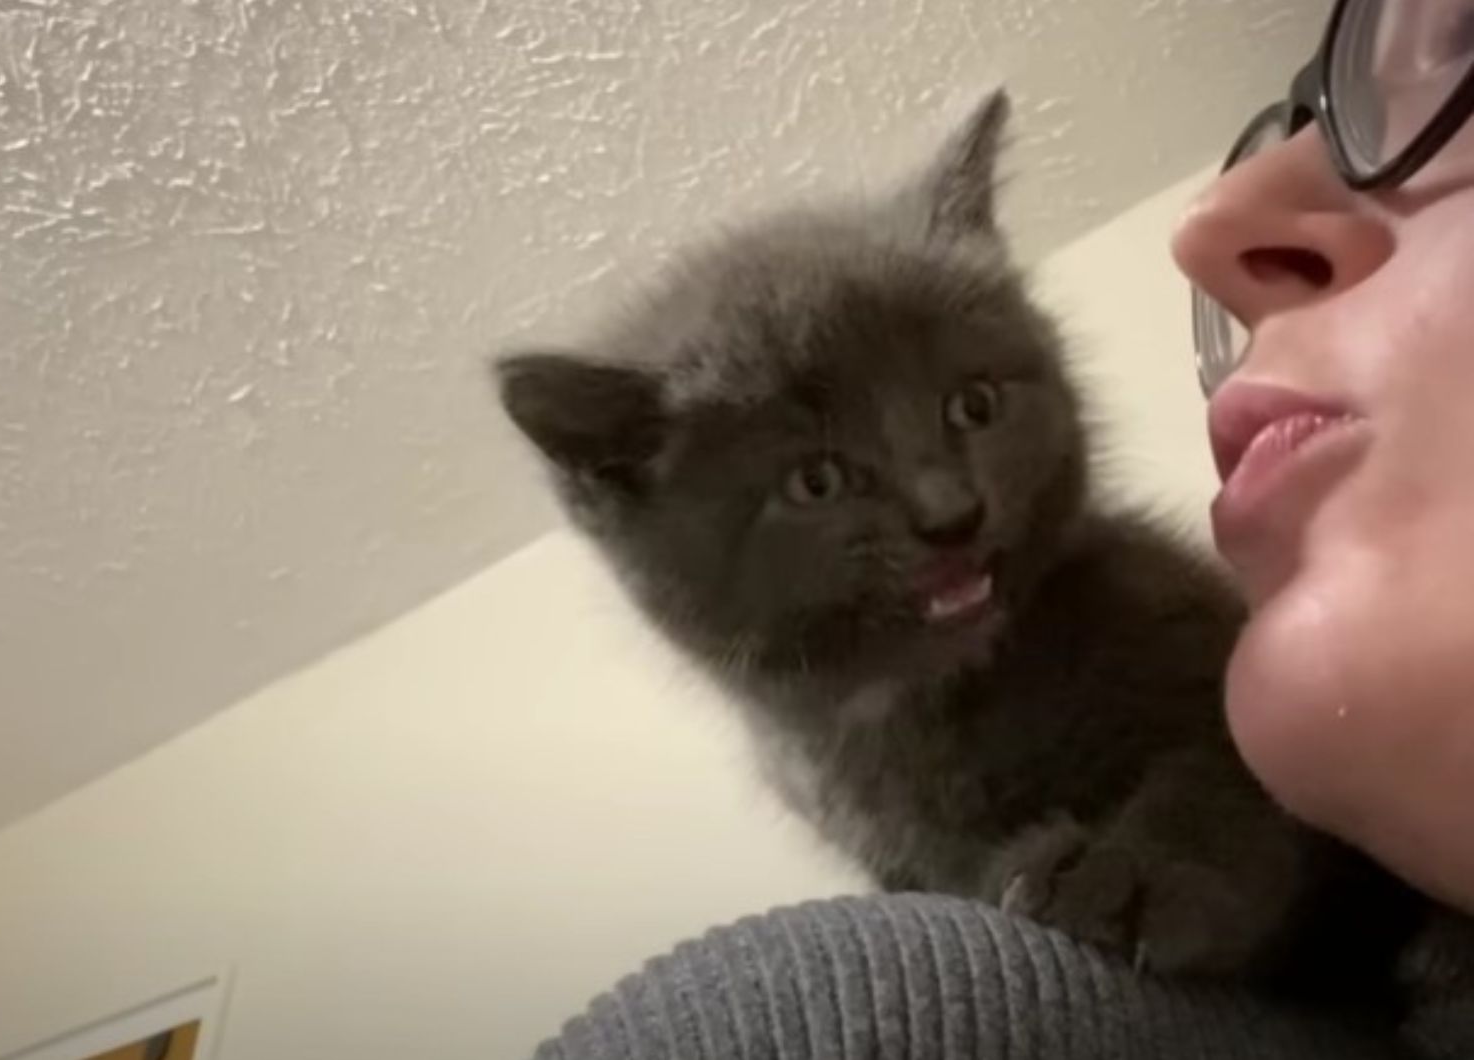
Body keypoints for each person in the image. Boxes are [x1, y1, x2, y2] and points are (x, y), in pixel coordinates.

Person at [527, 2, 1474, 1056]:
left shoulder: (1133, 608)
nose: (946, 505)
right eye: (817, 479)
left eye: (972, 411)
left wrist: (1204, 836)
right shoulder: (819, 833)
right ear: (619, 482)